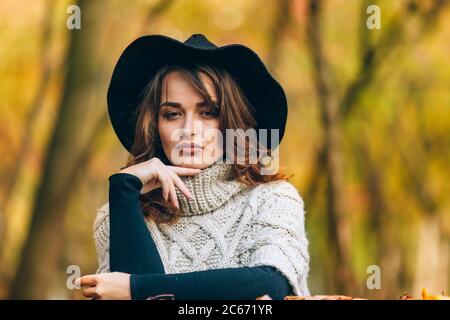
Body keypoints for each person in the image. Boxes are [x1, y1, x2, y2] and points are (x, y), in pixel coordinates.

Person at [77, 34, 310, 300]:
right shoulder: (118, 214)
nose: (189, 131)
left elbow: (270, 282)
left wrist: (136, 288)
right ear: (154, 125)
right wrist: (124, 189)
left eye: (207, 112)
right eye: (172, 114)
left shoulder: (271, 199)